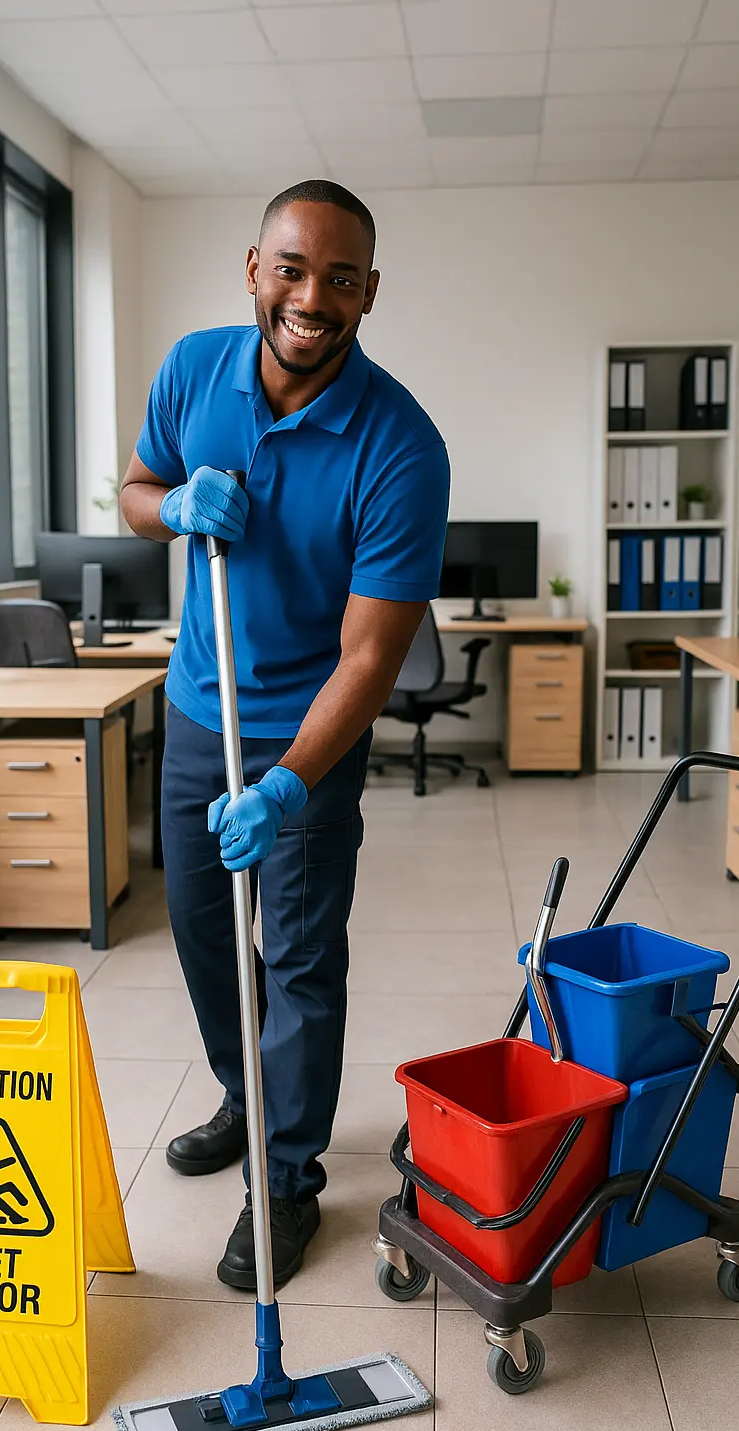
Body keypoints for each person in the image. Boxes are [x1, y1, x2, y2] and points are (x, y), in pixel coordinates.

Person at [120, 179, 450, 1290]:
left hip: (310, 739)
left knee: (298, 958)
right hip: (195, 710)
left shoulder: (401, 447)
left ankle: (289, 1178)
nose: (312, 298)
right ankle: (242, 1091)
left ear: (369, 293)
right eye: (293, 269)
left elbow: (370, 658)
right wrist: (171, 509)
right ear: (254, 269)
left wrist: (288, 785)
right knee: (205, 935)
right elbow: (135, 489)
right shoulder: (192, 370)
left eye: (340, 279)